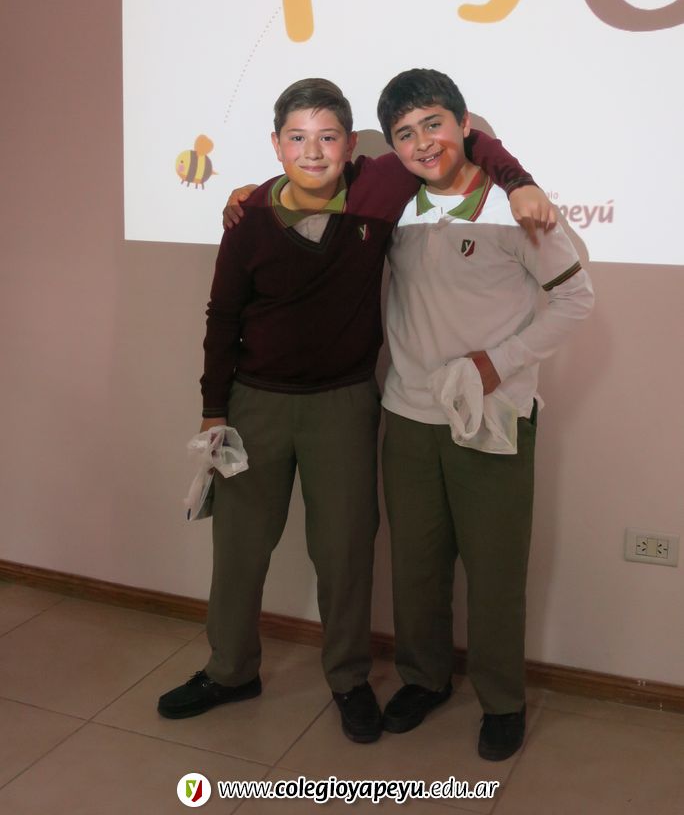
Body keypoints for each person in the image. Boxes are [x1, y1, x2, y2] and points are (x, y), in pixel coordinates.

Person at [158, 77, 554, 744]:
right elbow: (222, 317)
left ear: (351, 147)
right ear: (276, 145)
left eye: (328, 137)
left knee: (344, 554)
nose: (313, 152)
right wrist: (212, 410)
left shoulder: (380, 188)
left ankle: (348, 680)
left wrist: (519, 181)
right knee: (240, 548)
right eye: (297, 138)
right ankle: (230, 670)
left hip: (343, 403)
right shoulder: (249, 218)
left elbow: (471, 138)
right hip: (254, 405)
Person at [376, 69, 594, 760]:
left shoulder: (514, 206)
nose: (422, 142)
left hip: (494, 416)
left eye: (433, 124)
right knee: (416, 566)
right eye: (404, 133)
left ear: (464, 125)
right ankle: (425, 678)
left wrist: (501, 363)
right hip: (409, 415)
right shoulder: (393, 206)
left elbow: (576, 299)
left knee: (495, 572)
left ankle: (502, 700)